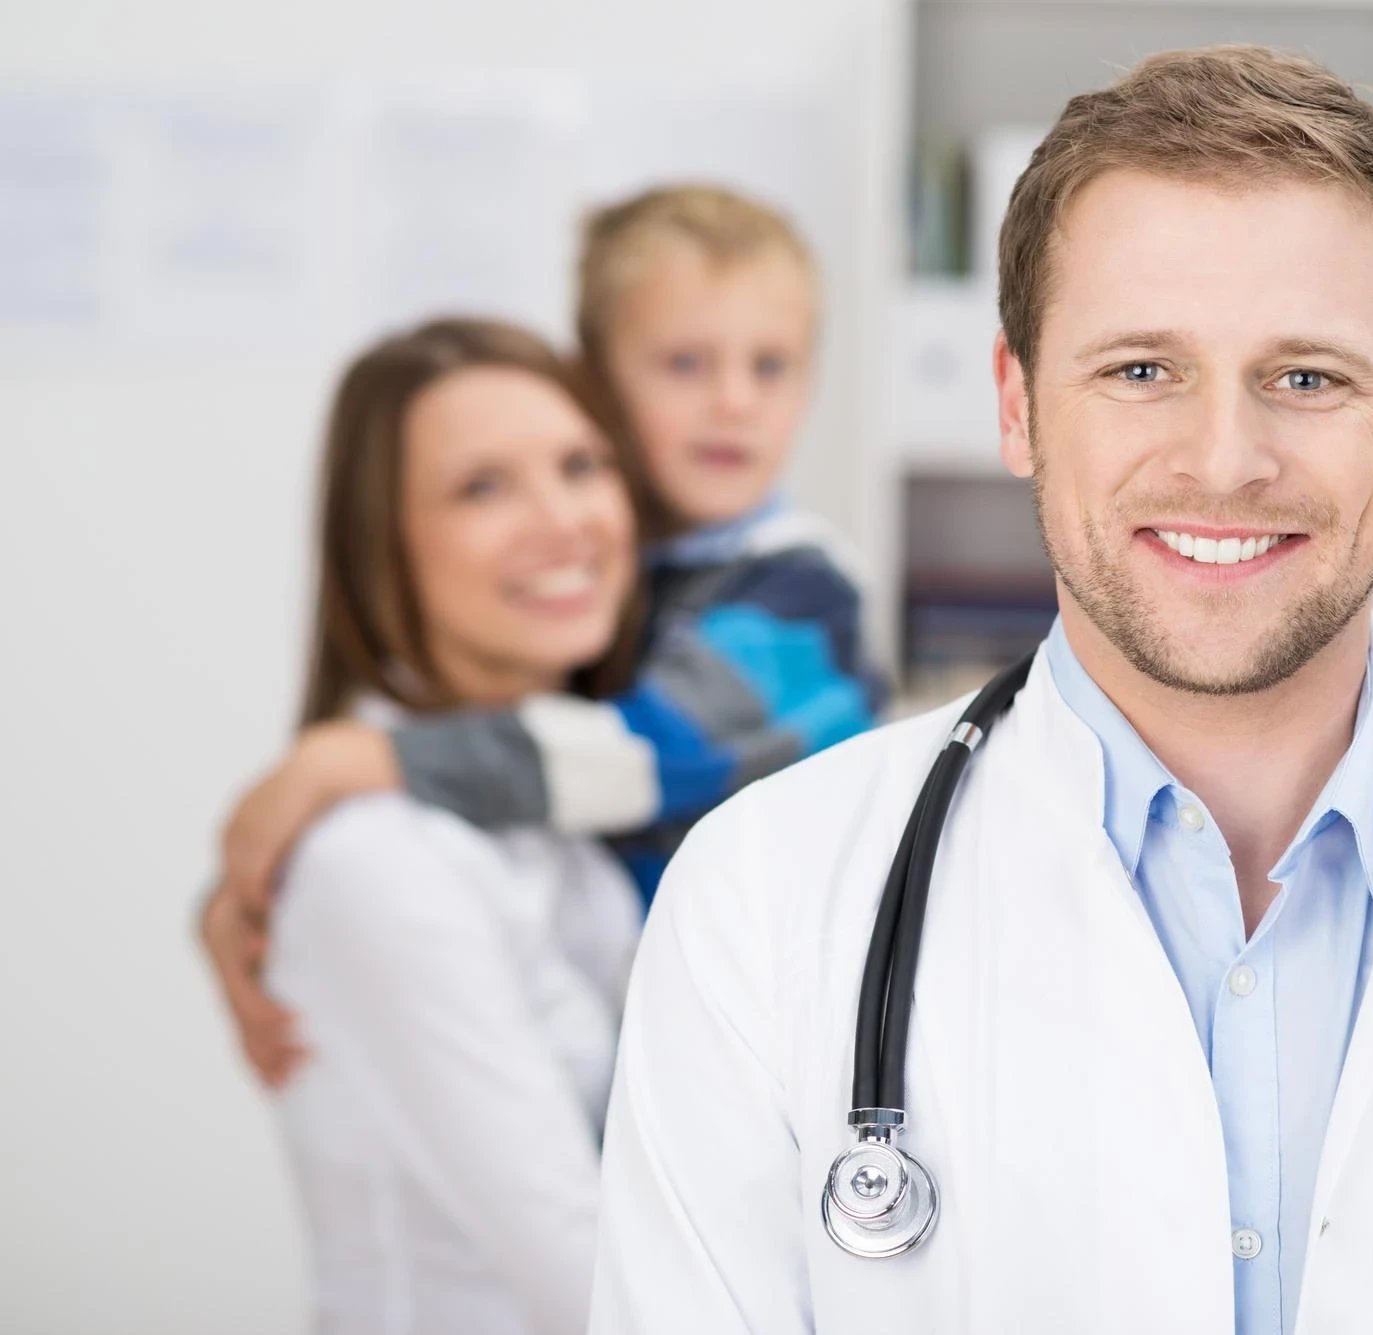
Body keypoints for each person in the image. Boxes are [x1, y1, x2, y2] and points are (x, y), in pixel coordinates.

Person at [588, 46, 1373, 1335]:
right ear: (1018, 405)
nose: (1225, 461)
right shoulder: (759, 903)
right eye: (1140, 370)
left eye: (1305, 377)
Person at [201, 185, 882, 1086]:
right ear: (593, 381)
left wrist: (366, 763)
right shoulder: (614, 577)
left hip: (804, 1032)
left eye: (772, 366)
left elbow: (637, 755)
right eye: (684, 363)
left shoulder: (804, 592)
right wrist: (253, 896)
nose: (733, 402)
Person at [257, 318, 646, 1334]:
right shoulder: (375, 862)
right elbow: (590, 1280)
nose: (563, 520)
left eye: (580, 465)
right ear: (379, 547)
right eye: (483, 488)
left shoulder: (566, 804)